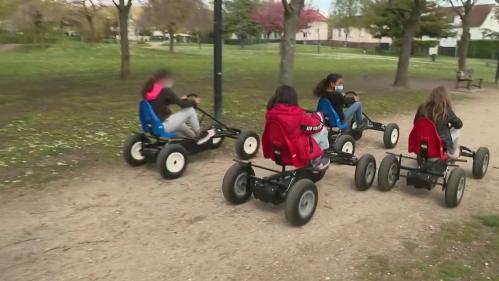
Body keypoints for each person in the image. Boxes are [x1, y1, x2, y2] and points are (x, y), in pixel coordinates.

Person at [265, 85, 330, 170]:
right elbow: (315, 126)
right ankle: (317, 160)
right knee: (323, 130)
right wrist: (318, 117)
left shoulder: (270, 112)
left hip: (278, 149)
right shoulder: (297, 114)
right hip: (296, 151)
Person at [142, 69, 215, 144]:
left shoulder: (149, 92)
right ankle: (200, 135)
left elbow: (162, 102)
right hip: (163, 126)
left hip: (152, 127)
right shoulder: (165, 90)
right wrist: (194, 101)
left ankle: (195, 140)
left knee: (182, 126)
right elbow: (183, 105)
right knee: (189, 110)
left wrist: (178, 99)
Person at [415, 86, 463, 159]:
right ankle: (452, 151)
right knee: (457, 129)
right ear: (446, 97)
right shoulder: (446, 110)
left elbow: (416, 123)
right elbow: (459, 125)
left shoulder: (422, 107)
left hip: (422, 141)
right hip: (440, 144)